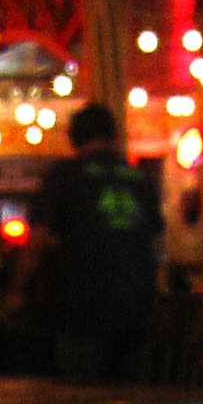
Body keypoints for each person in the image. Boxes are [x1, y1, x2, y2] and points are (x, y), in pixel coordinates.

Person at [24, 103, 163, 382]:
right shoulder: (139, 178)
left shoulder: (64, 177)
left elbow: (37, 240)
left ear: (74, 137)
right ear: (113, 135)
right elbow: (157, 239)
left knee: (82, 396)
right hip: (138, 305)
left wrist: (18, 288)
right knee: (132, 396)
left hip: (82, 306)